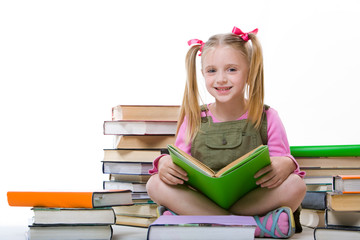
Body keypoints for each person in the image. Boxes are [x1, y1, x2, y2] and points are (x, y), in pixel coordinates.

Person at [146, 26, 306, 238]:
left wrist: (285, 164)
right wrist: (165, 164)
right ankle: (252, 225)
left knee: (296, 185)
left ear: (250, 71)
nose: (221, 79)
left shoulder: (267, 116)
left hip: (251, 198)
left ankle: (205, 222)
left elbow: (282, 160)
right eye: (212, 71)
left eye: (232, 69)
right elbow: (179, 161)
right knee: (154, 184)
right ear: (202, 73)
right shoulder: (194, 117)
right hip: (203, 198)